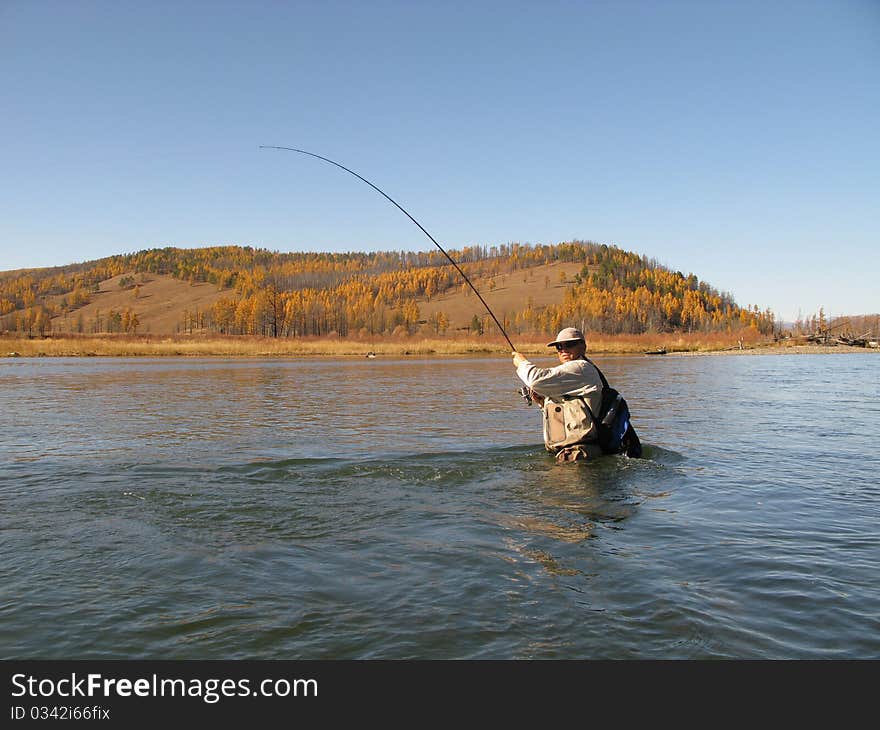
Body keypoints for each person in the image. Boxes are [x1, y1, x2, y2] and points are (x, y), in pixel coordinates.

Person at [512, 327, 641, 461]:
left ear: (583, 347)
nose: (563, 349)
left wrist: (521, 362)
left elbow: (535, 380)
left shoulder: (581, 367)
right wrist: (543, 404)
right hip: (569, 455)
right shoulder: (570, 375)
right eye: (559, 346)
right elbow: (571, 411)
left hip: (580, 455)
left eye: (569, 344)